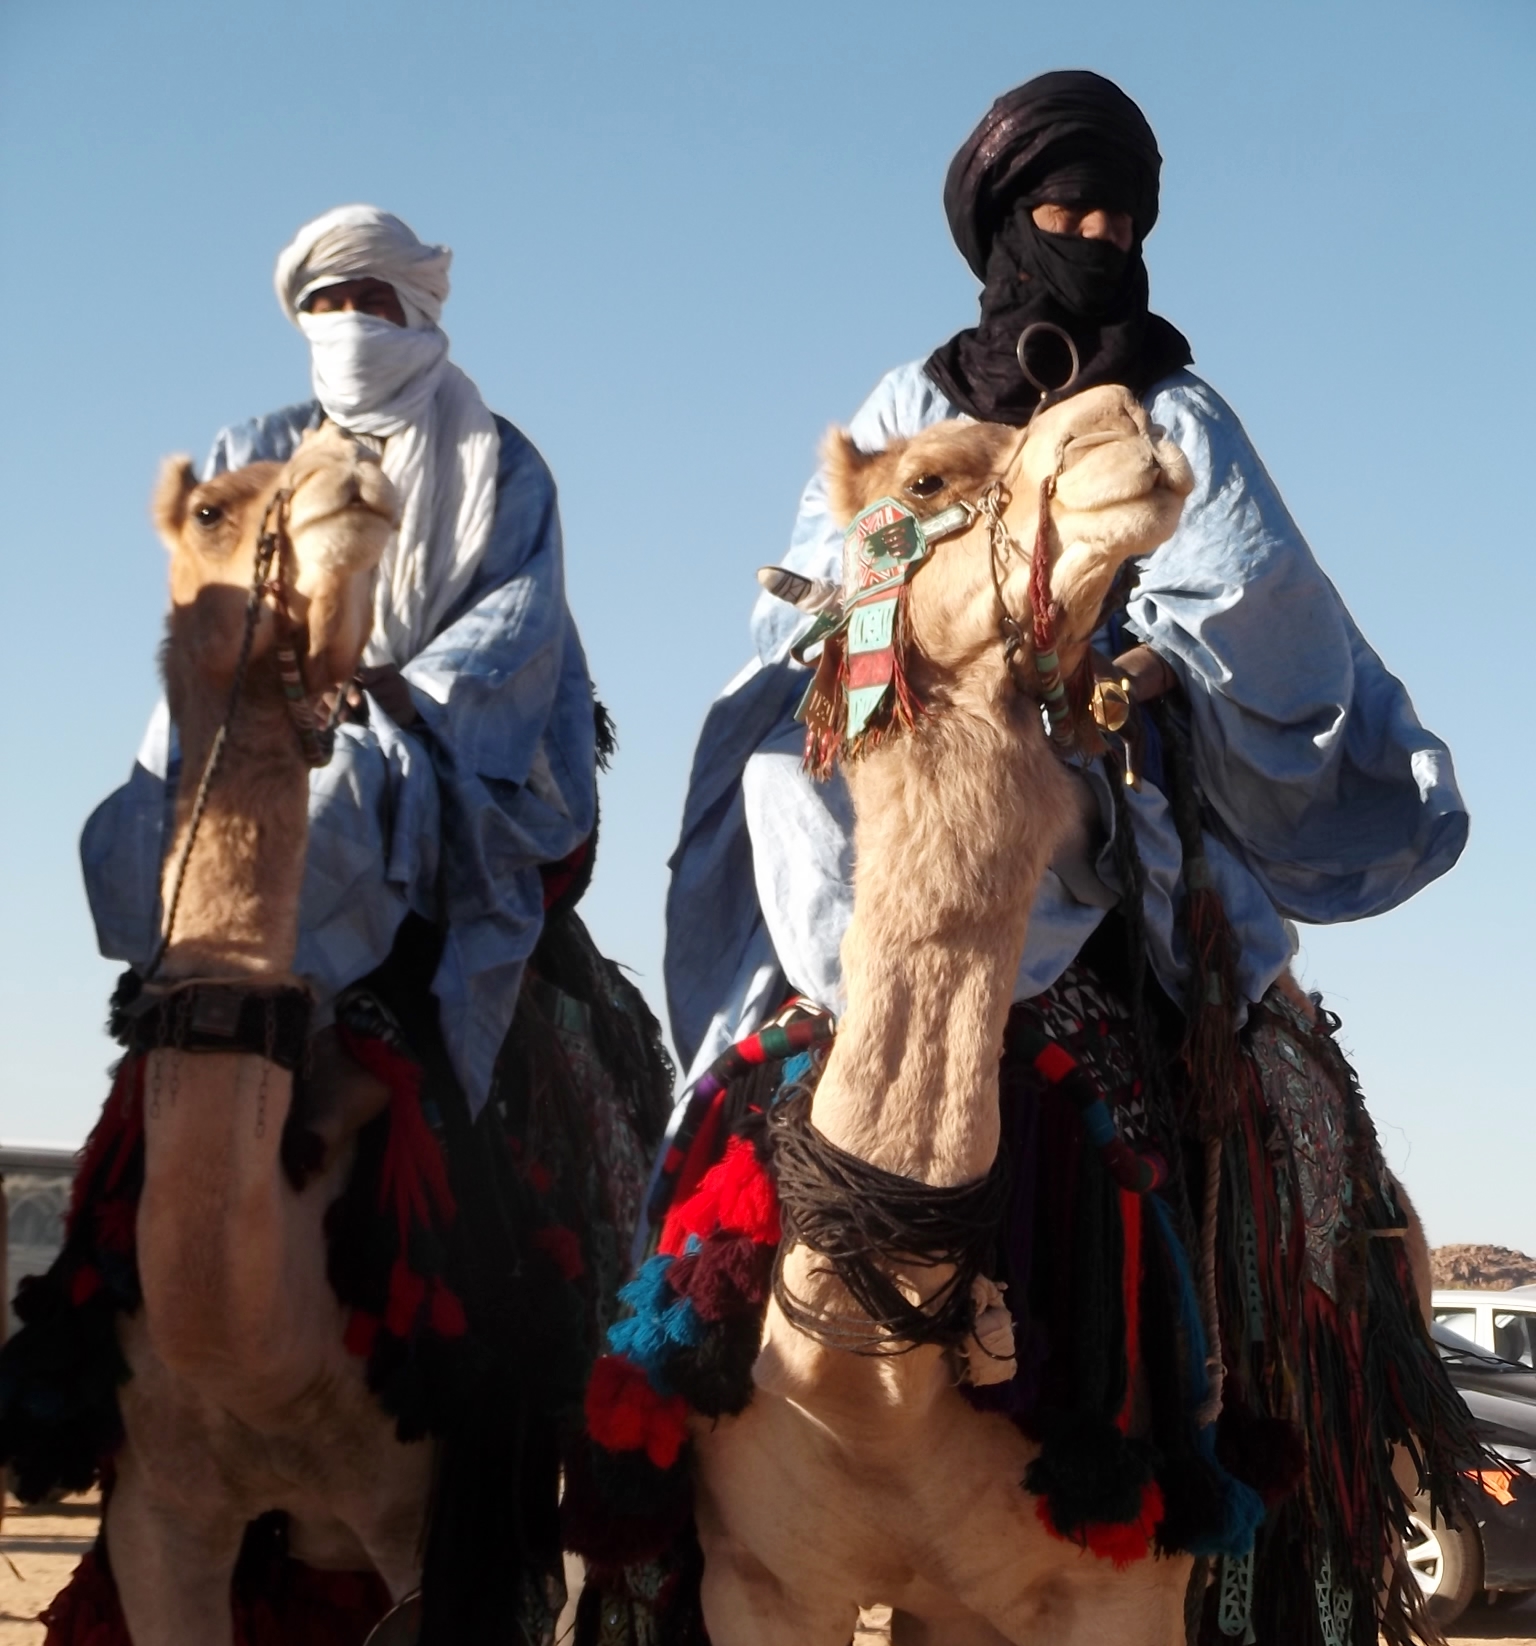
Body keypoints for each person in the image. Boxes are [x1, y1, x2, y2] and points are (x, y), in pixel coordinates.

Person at [665, 72, 1466, 1083]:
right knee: (779, 781)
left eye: (1116, 222)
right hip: (915, 726)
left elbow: (1248, 604)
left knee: (1047, 826)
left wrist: (1114, 678)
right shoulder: (913, 400)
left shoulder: (1173, 409)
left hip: (1090, 745)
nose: (1092, 238)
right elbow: (833, 575)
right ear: (1011, 225)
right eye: (1064, 213)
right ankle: (843, 1051)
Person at [82, 205, 600, 1115]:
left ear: (415, 314)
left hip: (434, 734)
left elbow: (515, 625)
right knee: (135, 814)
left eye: (372, 300)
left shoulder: (501, 465)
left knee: (351, 787)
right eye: (329, 304)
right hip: (252, 703)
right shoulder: (251, 450)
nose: (351, 324)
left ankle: (294, 1028)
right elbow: (205, 593)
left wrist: (395, 691)